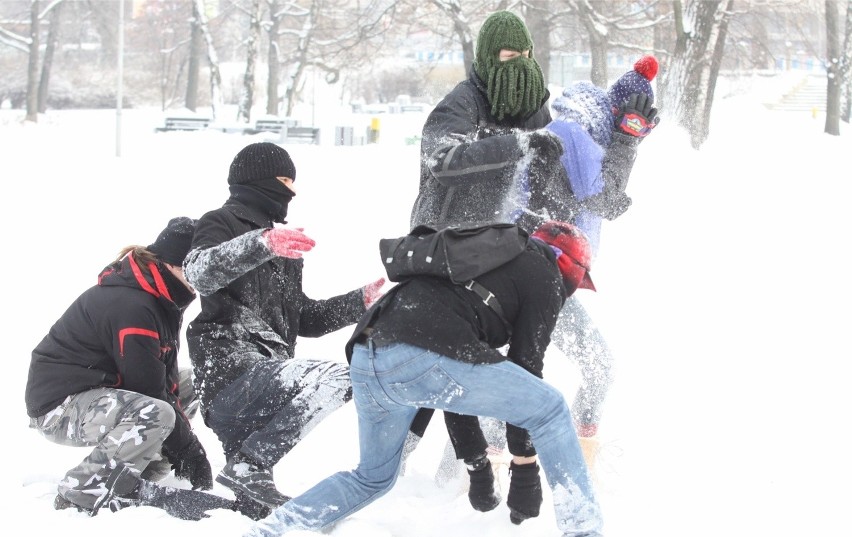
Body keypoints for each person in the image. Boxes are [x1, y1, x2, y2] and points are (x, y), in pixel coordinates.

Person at [403, 8, 659, 522]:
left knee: (516, 376)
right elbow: (442, 160)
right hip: (447, 258)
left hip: (516, 269)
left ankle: (480, 487)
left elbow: (588, 187)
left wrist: (623, 143)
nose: (518, 64)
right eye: (507, 55)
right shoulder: (463, 103)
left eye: (525, 54)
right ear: (486, 57)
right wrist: (514, 145)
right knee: (438, 377)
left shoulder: (536, 108)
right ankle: (413, 483)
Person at [243, 221, 604, 537]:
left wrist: (478, 467)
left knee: (372, 478)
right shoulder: (543, 272)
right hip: (424, 357)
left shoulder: (482, 260)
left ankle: (273, 529)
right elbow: (526, 370)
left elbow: (455, 386)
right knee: (552, 407)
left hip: (370, 353)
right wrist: (524, 468)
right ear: (569, 266)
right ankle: (584, 529)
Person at [182, 142, 385, 517]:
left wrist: (361, 302)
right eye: (285, 180)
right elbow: (199, 271)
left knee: (252, 509)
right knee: (346, 377)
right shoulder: (220, 222)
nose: (292, 191)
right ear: (258, 180)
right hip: (231, 377)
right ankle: (249, 465)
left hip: (269, 382)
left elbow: (302, 319)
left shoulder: (281, 242)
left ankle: (237, 481)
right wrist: (260, 244)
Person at [25, 217, 229, 519]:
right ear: (176, 263)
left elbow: (165, 379)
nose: (208, 273)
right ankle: (82, 491)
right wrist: (189, 448)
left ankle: (144, 469)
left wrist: (183, 443)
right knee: (156, 412)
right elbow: (147, 388)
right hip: (59, 406)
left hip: (100, 390)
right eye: (201, 263)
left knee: (191, 382)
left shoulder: (161, 296)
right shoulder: (133, 305)